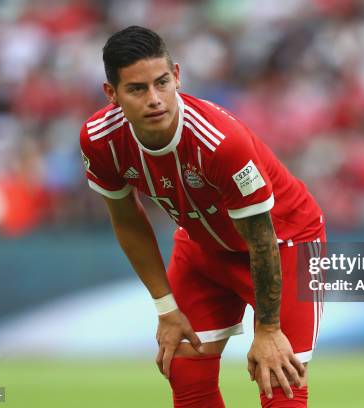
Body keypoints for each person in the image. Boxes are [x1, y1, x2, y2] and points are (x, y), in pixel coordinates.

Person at [79, 25, 326, 408]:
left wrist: (268, 327)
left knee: (281, 383)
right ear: (111, 94)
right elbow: (127, 221)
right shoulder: (100, 140)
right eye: (137, 89)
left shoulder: (220, 142)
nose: (155, 99)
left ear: (177, 75)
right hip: (202, 244)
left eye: (162, 82)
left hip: (285, 242)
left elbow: (262, 238)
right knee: (185, 369)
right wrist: (166, 309)